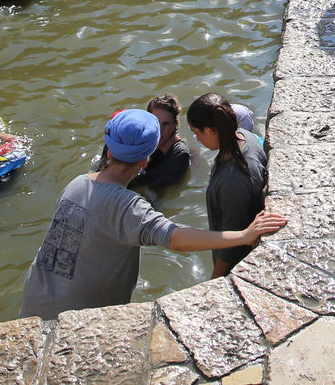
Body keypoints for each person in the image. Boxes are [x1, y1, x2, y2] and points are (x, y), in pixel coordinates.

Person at [20, 108, 287, 319]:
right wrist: (244, 235)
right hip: (77, 316)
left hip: (35, 298)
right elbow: (175, 238)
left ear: (109, 149)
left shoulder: (76, 183)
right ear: (146, 159)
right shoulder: (126, 205)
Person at [186, 93, 268, 277]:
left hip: (239, 268)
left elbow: (232, 241)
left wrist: (215, 279)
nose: (197, 139)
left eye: (197, 133)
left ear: (209, 130)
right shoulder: (247, 137)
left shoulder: (233, 180)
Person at [95, 94, 192, 192]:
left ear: (175, 125)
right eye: (156, 122)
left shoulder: (179, 153)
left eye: (166, 124)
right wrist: (160, 152)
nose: (160, 129)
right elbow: (103, 171)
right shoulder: (125, 136)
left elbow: (154, 188)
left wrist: (159, 154)